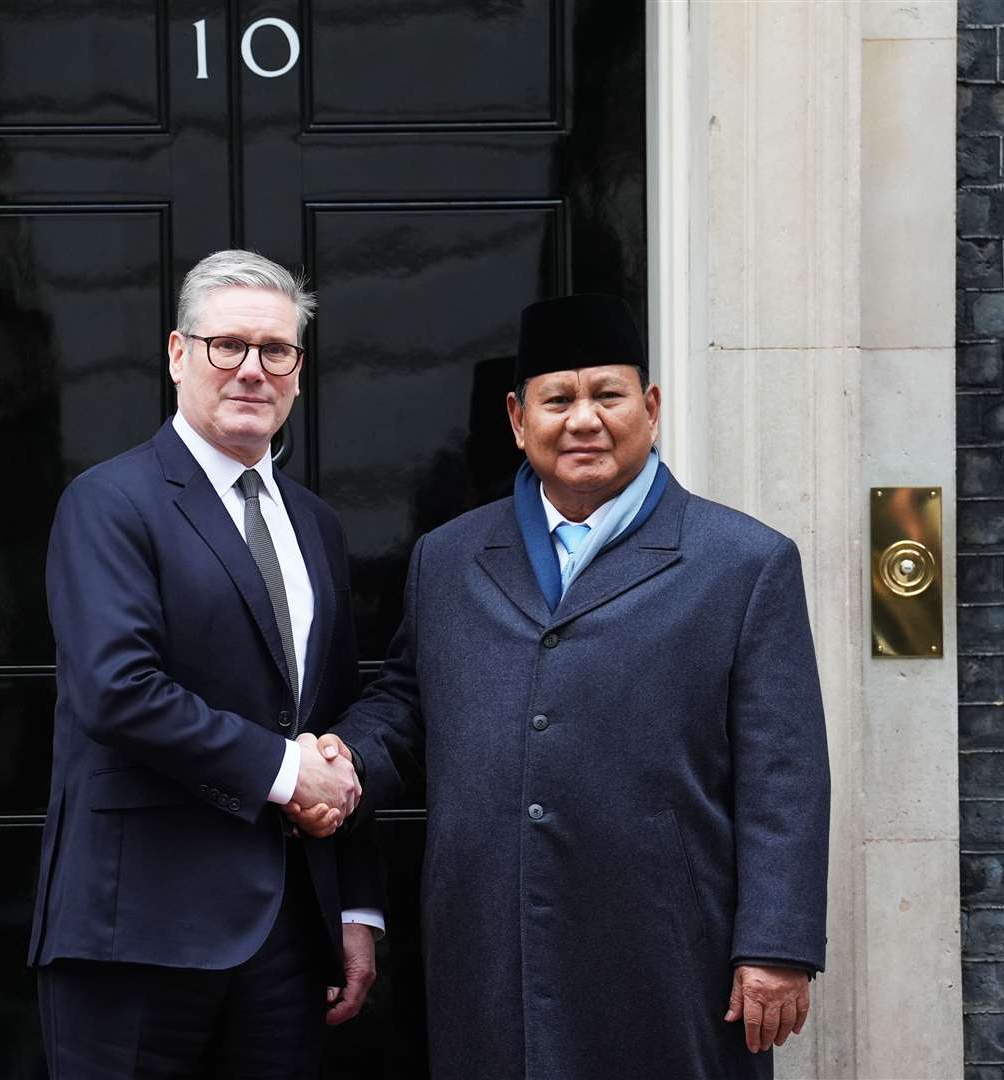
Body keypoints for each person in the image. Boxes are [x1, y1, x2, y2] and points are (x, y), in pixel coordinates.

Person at [295, 293, 831, 1079]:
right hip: (487, 943)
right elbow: (408, 700)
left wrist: (777, 945)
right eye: (558, 399)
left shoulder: (743, 562)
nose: (583, 420)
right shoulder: (447, 559)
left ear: (648, 407)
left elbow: (784, 770)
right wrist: (347, 758)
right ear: (518, 419)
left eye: (607, 395)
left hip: (669, 948)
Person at [29, 250, 383, 1079]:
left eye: (276, 351)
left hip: (289, 937)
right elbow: (118, 691)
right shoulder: (110, 502)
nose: (252, 370)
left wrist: (354, 905)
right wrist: (285, 773)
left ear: (298, 370)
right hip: (137, 932)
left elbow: (331, 720)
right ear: (177, 354)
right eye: (227, 345)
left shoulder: (316, 525)